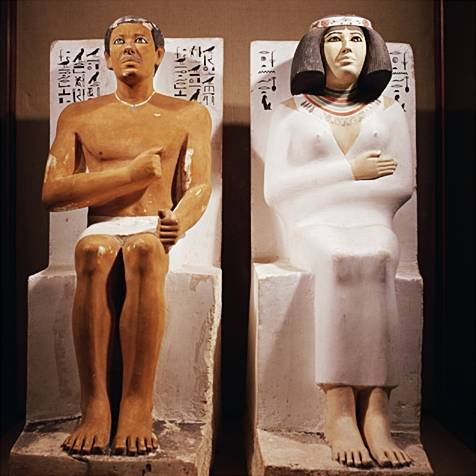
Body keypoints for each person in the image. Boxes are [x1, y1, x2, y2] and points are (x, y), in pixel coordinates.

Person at [42, 16, 212, 456]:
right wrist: (128, 174)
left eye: (140, 40)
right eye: (120, 41)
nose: (130, 47)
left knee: (143, 251)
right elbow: (52, 192)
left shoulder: (189, 114)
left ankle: (137, 402)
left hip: (153, 226)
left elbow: (198, 186)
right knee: (92, 251)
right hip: (103, 223)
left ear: (159, 55)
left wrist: (180, 220)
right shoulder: (79, 115)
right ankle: (95, 404)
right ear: (106, 57)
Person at [264, 15, 414, 468]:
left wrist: (329, 185)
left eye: (356, 39)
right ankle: (339, 405)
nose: (346, 47)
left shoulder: (388, 111)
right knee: (338, 257)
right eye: (334, 38)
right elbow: (278, 190)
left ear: (372, 49)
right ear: (316, 49)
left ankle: (377, 407)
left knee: (379, 255)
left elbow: (399, 186)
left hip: (373, 220)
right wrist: (350, 171)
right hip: (310, 225)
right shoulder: (291, 112)